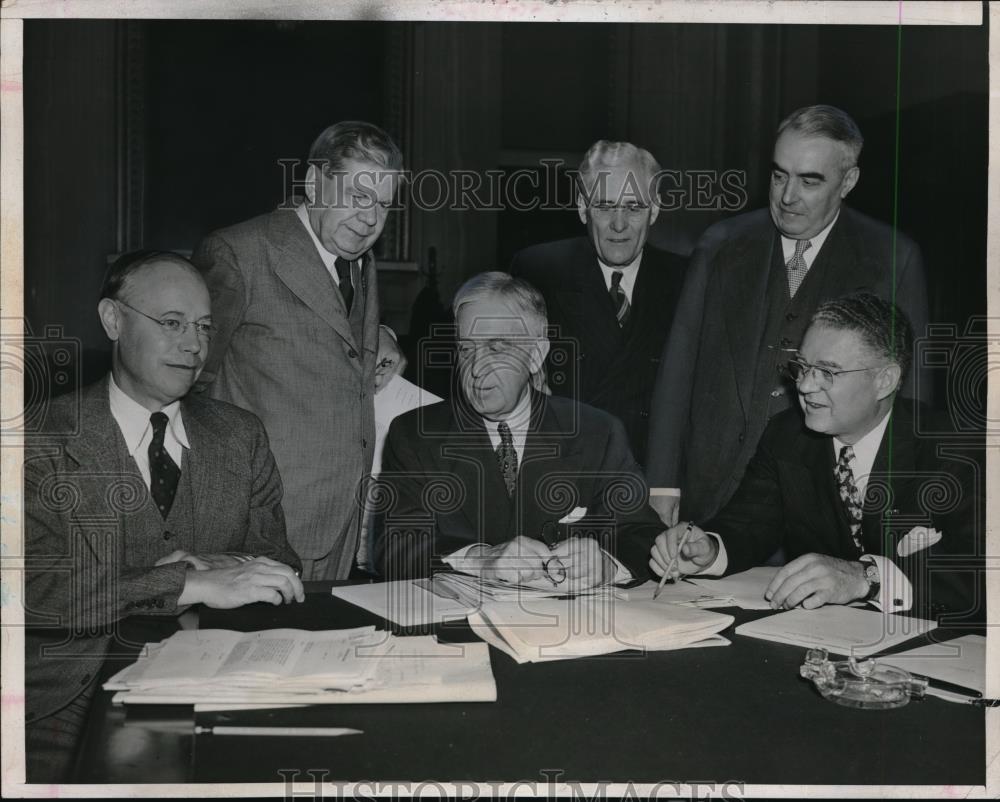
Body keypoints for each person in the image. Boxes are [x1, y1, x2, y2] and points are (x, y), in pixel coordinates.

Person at [23, 252, 303, 783]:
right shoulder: (38, 439)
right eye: (172, 324)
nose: (194, 345)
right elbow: (31, 589)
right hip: (64, 702)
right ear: (113, 319)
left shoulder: (240, 435)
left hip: (214, 688)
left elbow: (279, 563)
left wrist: (215, 570)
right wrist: (184, 583)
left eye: (203, 327)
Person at [646, 104, 930, 527]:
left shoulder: (893, 258)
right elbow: (678, 366)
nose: (787, 196)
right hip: (711, 490)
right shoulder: (720, 244)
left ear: (848, 181)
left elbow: (909, 400)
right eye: (779, 175)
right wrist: (663, 482)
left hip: (823, 504)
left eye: (809, 181)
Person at [649, 294, 980, 621]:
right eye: (802, 367)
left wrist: (867, 578)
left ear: (884, 381)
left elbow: (981, 572)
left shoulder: (955, 448)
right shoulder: (787, 435)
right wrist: (709, 551)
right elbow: (749, 525)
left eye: (827, 371)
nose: (805, 385)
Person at [192, 121, 406, 580]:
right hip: (263, 529)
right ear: (313, 183)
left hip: (344, 520)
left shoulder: (359, 260)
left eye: (383, 204)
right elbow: (191, 386)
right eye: (357, 195)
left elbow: (338, 340)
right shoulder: (238, 252)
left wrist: (381, 335)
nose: (370, 218)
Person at [373, 272, 665, 589]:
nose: (476, 368)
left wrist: (608, 564)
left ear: (536, 355)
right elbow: (392, 548)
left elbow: (640, 533)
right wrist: (482, 559)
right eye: (467, 349)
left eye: (496, 348)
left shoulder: (597, 432)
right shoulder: (415, 435)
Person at [510, 140, 687, 467]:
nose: (619, 224)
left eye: (634, 208)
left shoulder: (686, 279)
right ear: (582, 207)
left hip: (649, 475)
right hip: (561, 468)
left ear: (655, 209)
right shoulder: (538, 270)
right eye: (605, 207)